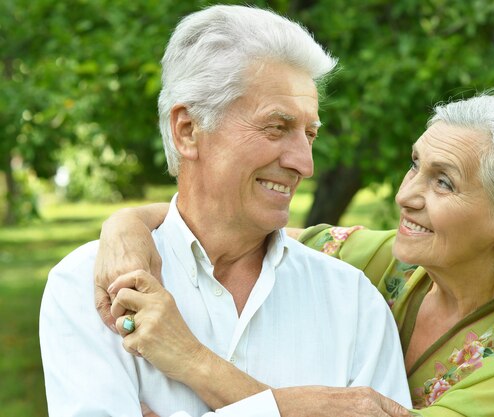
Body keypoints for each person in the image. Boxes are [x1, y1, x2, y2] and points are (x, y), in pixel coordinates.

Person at [95, 91, 494, 416]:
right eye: (416, 165)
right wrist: (126, 225)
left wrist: (189, 360)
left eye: (443, 183)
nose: (407, 195)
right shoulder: (396, 263)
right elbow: (225, 226)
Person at [39, 5, 411, 417]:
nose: (305, 164)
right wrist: (300, 408)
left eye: (310, 135)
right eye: (276, 127)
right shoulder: (88, 287)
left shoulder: (353, 301)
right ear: (189, 130)